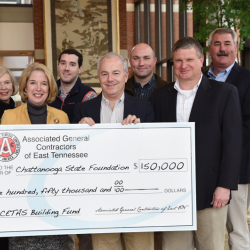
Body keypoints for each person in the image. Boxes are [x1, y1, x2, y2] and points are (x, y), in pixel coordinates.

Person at [150, 36, 242, 250]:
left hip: (211, 191)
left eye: (189, 59)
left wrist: (225, 185)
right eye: (179, 60)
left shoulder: (225, 93)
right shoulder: (159, 97)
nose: (184, 65)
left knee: (212, 246)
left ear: (202, 61)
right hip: (172, 193)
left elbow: (233, 143)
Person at [73, 52, 154, 250]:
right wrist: (77, 133)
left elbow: (153, 152)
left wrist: (141, 131)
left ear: (126, 76)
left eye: (116, 73)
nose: (110, 79)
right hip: (100, 199)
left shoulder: (145, 109)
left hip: (137, 198)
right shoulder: (81, 111)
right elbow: (73, 159)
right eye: (105, 74)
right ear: (98, 77)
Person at [1, 62, 70, 250]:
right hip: (21, 202)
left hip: (55, 201)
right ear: (24, 87)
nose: (38, 88)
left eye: (44, 83)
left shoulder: (62, 117)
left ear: (50, 88)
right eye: (33, 83)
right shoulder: (8, 116)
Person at [204, 28, 250, 250]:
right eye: (217, 43)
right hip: (203, 167)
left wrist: (219, 143)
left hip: (236, 167)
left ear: (236, 46)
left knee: (237, 227)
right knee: (207, 229)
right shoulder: (198, 76)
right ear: (209, 48)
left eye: (227, 43)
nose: (222, 49)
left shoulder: (248, 79)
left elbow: (248, 124)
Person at [49, 49, 97, 123]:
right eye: (63, 63)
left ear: (80, 69)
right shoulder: (47, 91)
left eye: (72, 64)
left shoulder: (89, 95)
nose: (66, 68)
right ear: (58, 66)